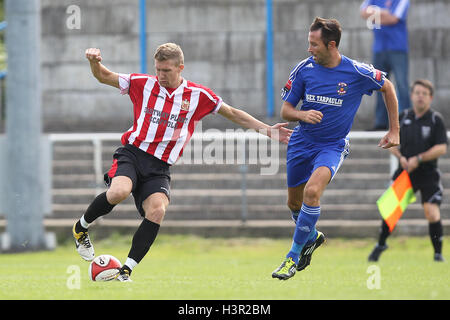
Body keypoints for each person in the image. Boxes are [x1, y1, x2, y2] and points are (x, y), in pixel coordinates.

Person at [72, 43, 292, 282]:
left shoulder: (198, 96)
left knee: (157, 210)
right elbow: (104, 76)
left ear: (180, 68)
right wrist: (94, 62)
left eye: (166, 70)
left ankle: (126, 270)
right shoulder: (142, 84)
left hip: (160, 167)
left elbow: (233, 112)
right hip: (133, 153)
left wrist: (268, 130)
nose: (161, 75)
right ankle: (81, 227)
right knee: (119, 191)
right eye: (158, 69)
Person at [271, 17, 400, 281]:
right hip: (301, 142)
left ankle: (291, 258)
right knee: (293, 203)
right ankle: (312, 237)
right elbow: (285, 110)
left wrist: (394, 129)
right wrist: (302, 115)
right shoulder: (303, 69)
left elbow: (387, 86)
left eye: (314, 44)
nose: (309, 49)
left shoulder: (356, 72)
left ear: (331, 45)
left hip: (332, 146)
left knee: (313, 191)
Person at [368, 79, 448, 262]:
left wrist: (419, 158)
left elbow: (442, 148)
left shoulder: (436, 120)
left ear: (431, 98)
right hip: (406, 172)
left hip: (428, 174)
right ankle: (380, 245)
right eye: (417, 93)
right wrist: (401, 157)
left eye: (424, 94)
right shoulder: (402, 117)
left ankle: (438, 254)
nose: (420, 97)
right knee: (390, 212)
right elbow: (390, 142)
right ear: (411, 96)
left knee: (431, 211)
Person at [360, 0, 410, 130]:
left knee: (402, 85)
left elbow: (393, 18)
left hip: (398, 48)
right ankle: (381, 122)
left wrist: (374, 16)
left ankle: (405, 121)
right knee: (378, 84)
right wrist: (384, 13)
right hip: (379, 48)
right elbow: (363, 12)